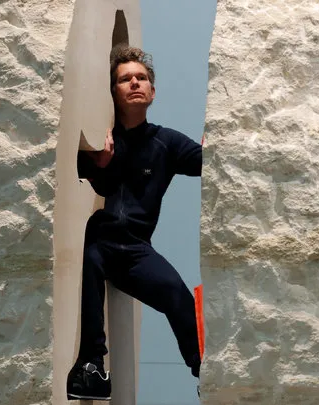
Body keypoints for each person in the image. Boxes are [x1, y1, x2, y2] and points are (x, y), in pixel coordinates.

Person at [66, 46, 203, 401]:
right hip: (102, 237)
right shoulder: (101, 139)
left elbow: (209, 161)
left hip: (137, 251)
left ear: (152, 92)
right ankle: (91, 365)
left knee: (179, 297)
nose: (135, 83)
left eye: (141, 78)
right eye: (125, 79)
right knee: (94, 249)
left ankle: (206, 372)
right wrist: (98, 161)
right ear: (114, 92)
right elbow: (70, 170)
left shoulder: (166, 143)